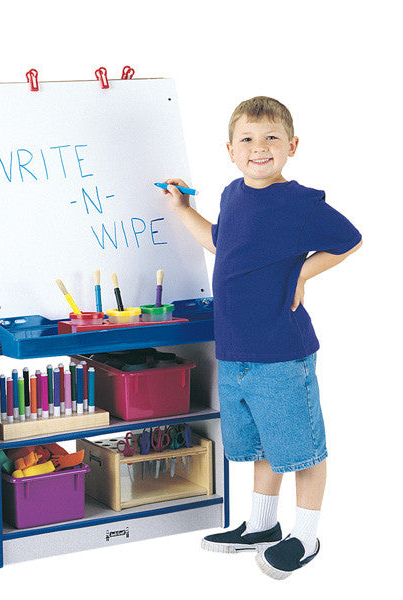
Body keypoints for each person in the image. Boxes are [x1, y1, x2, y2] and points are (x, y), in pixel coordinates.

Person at [161, 96, 362, 579]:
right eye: (247, 139)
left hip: (281, 352)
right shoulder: (233, 193)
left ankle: (306, 537)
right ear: (230, 150)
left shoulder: (300, 202)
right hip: (235, 351)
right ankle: (262, 525)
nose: (259, 147)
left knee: (302, 449)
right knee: (263, 445)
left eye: (272, 137)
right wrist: (183, 209)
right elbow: (220, 242)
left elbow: (349, 239)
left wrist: (303, 274)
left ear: (292, 145)